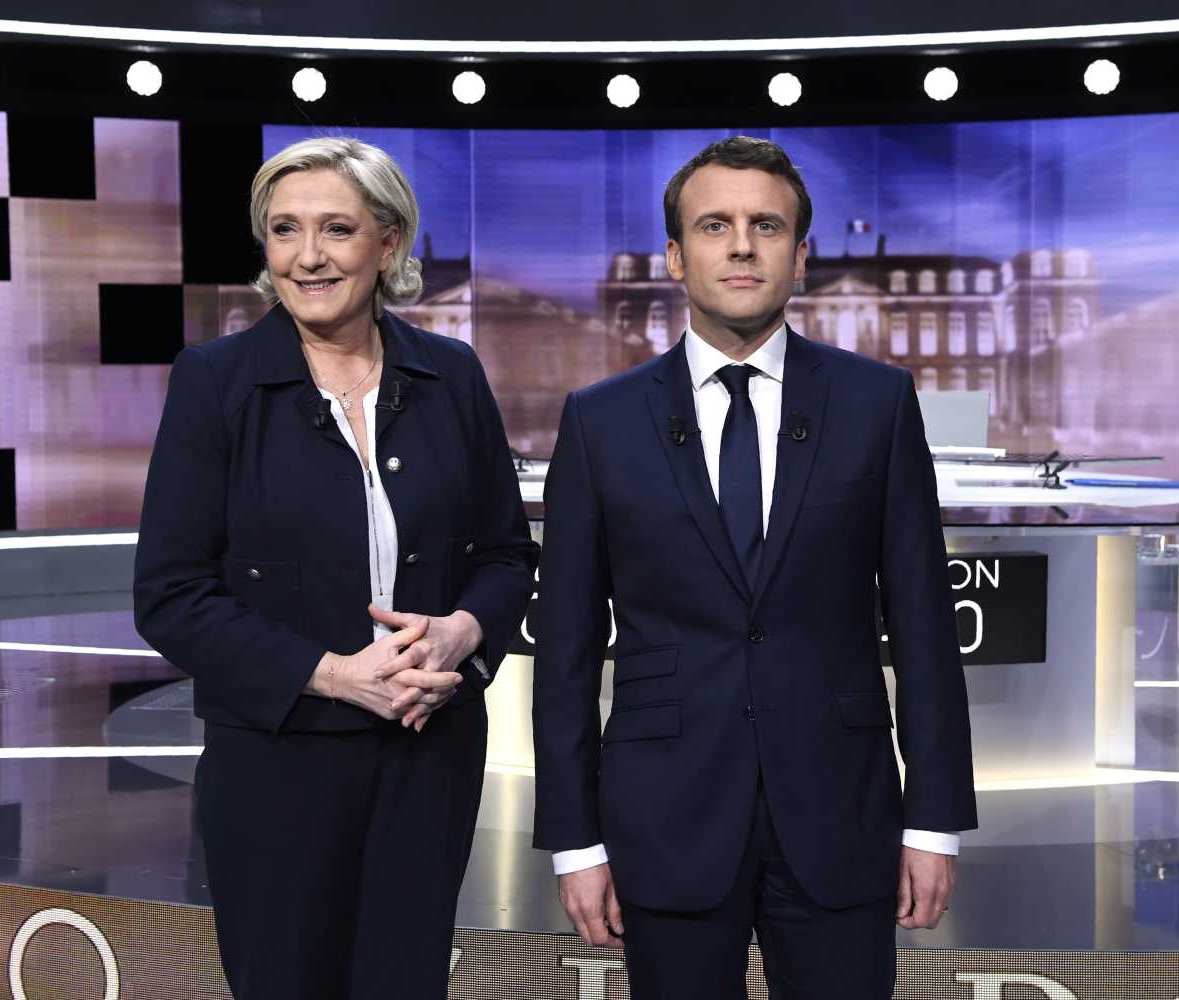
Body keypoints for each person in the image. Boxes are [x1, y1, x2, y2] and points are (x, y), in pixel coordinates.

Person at [532, 136, 977, 998]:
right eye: (715, 225)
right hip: (663, 817)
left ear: (800, 254)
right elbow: (567, 649)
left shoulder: (876, 403)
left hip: (842, 814)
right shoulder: (600, 421)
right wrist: (575, 840)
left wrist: (934, 822)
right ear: (676, 255)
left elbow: (924, 624)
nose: (741, 244)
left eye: (766, 224)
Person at [134, 136, 537, 1000]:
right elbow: (170, 595)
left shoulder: (452, 374)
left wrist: (461, 635)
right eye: (284, 231)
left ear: (388, 244)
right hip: (277, 764)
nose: (308, 257)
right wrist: (332, 676)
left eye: (335, 229)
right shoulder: (215, 383)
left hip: (428, 758)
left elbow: (507, 555)